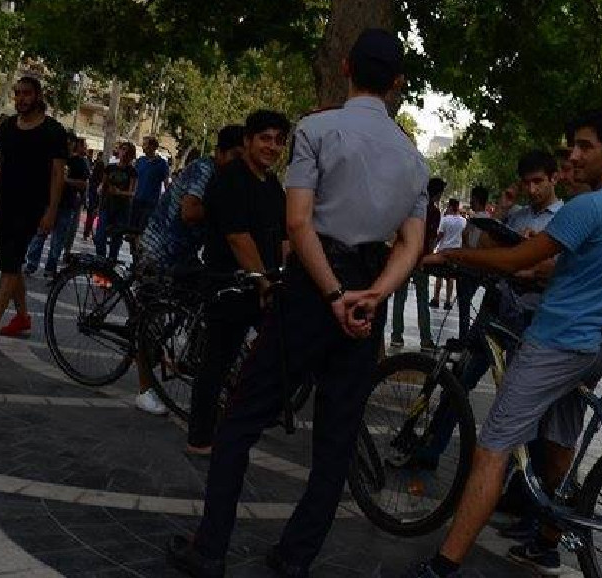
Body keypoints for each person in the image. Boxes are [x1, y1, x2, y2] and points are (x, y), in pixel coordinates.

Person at [166, 28, 429, 578]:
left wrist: (332, 293)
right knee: (336, 442)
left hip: (316, 284)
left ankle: (210, 548)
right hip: (368, 292)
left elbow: (297, 221)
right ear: (398, 84)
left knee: (240, 420)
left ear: (348, 70)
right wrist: (374, 294)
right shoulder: (412, 157)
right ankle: (295, 558)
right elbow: (411, 243)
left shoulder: (316, 129)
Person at [408, 109, 602, 577]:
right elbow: (577, 268)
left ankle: (444, 565)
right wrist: (533, 269)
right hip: (594, 346)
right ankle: (545, 542)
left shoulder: (589, 206)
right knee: (560, 447)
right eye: (571, 147)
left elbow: (519, 254)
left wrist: (452, 254)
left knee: (491, 448)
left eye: (585, 147)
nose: (574, 157)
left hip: (555, 342)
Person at [186, 112, 290, 455]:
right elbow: (237, 237)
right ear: (247, 140)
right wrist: (265, 283)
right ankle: (200, 438)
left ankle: (241, 416)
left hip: (261, 286)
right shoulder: (230, 179)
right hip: (228, 286)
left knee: (276, 353)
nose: (272, 147)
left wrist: (288, 274)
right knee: (216, 362)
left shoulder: (272, 185)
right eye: (265, 138)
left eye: (278, 140)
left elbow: (283, 237)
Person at [133, 125, 245, 417]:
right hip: (160, 250)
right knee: (150, 321)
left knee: (202, 304)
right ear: (220, 152)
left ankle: (186, 357)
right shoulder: (205, 171)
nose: (240, 163)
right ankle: (145, 390)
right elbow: (190, 211)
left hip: (183, 255)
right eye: (235, 155)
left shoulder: (228, 176)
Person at [0, 77, 68, 346]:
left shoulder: (54, 131)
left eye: (26, 93)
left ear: (37, 95)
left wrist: (51, 210)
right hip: (4, 204)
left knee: (11, 264)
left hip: (32, 207)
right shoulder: (8, 127)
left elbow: (58, 173)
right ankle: (22, 315)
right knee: (8, 262)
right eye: (17, 94)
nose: (21, 98)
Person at [389, 177, 444, 351]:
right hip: (421, 260)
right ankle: (425, 340)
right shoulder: (434, 212)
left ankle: (396, 337)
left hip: (404, 257)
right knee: (422, 300)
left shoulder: (410, 207)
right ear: (437, 193)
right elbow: (431, 238)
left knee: (400, 298)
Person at [24, 135, 90, 277]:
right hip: (48, 202)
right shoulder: (51, 158)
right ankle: (31, 264)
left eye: (70, 143)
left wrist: (66, 180)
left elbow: (84, 184)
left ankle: (50, 266)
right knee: (40, 234)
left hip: (66, 205)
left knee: (58, 238)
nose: (67, 145)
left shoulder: (79, 163)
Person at [456, 185, 490, 340]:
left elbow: (468, 241)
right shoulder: (490, 220)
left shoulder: (475, 220)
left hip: (468, 267)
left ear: (475, 200)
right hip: (480, 268)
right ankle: (470, 335)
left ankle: (464, 336)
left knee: (464, 305)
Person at [94, 142, 137, 261]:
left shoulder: (132, 171)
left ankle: (111, 260)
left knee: (116, 238)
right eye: (122, 149)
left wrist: (120, 193)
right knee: (100, 235)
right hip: (107, 205)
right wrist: (99, 201)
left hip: (122, 208)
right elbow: (103, 186)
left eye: (127, 151)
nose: (124, 153)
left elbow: (132, 192)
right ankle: (100, 258)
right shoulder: (110, 168)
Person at [430, 198, 466, 309]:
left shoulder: (445, 220)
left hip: (443, 251)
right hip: (456, 252)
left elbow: (440, 235)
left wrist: (434, 246)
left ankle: (436, 299)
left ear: (449, 206)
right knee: (450, 278)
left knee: (439, 276)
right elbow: (464, 236)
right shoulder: (463, 221)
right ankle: (448, 302)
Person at [131, 135, 170, 231]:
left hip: (150, 203)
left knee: (142, 229)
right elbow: (133, 179)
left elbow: (166, 182)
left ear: (153, 147)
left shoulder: (162, 164)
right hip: (136, 200)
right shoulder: (140, 161)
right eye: (143, 145)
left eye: (146, 145)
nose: (144, 148)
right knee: (132, 230)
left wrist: (167, 200)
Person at [83, 151, 105, 239]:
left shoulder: (92, 179)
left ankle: (86, 232)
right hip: (97, 198)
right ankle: (90, 232)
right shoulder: (100, 181)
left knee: (90, 215)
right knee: (95, 215)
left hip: (92, 197)